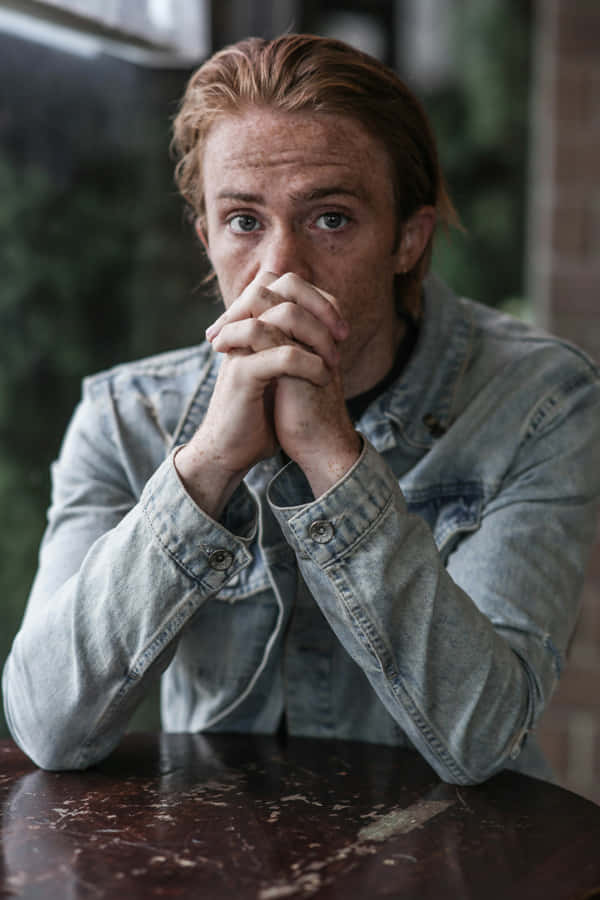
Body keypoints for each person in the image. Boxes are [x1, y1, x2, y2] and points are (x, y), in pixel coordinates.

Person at [3, 34, 599, 785]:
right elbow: (47, 727)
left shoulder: (539, 401)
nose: (281, 270)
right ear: (207, 239)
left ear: (408, 239)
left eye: (331, 219)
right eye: (245, 222)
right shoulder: (125, 419)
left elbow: (483, 738)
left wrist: (332, 458)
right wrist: (208, 464)